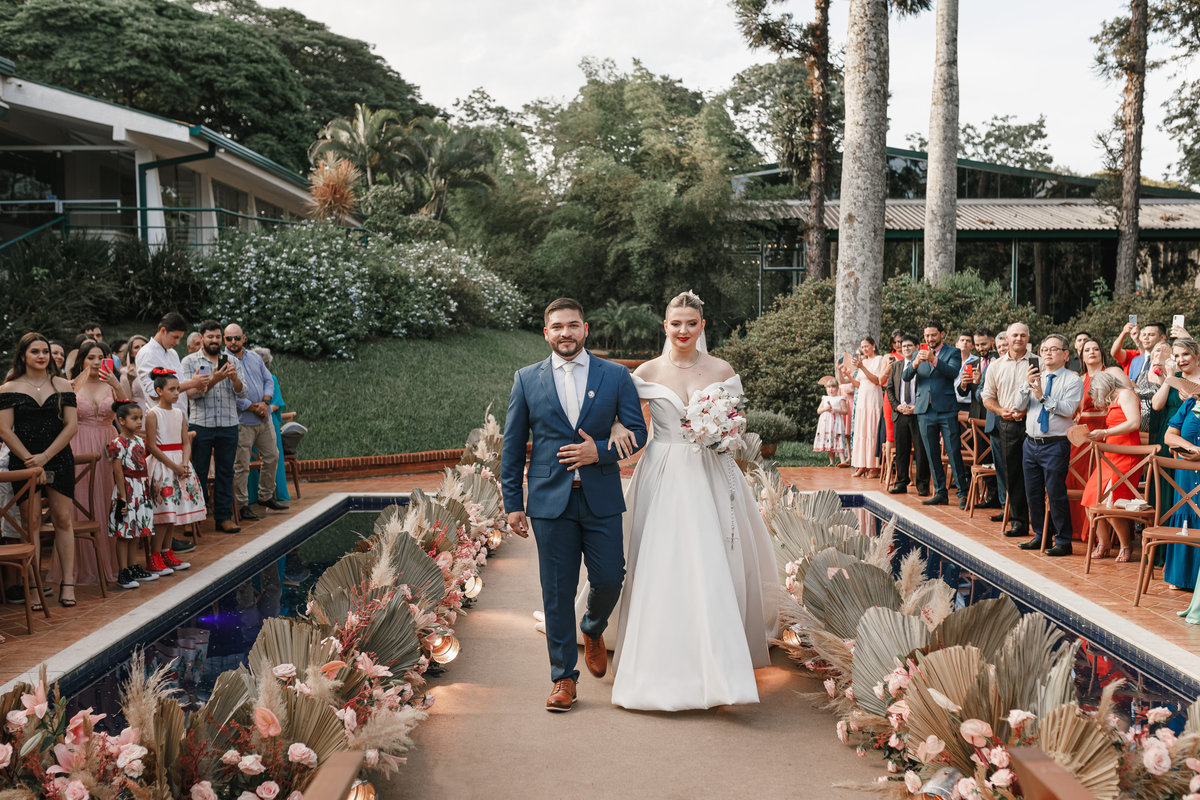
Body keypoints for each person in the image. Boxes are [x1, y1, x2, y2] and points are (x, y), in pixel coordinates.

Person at [609, 290, 776, 710]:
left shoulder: (721, 369)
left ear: (703, 325)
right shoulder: (646, 371)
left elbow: (736, 423)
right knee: (660, 558)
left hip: (711, 472)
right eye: (676, 323)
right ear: (665, 326)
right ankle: (658, 655)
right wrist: (613, 429)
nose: (683, 330)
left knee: (712, 558)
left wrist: (723, 434)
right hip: (663, 471)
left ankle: (719, 663)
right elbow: (619, 414)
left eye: (691, 323)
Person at [501, 297, 648, 713]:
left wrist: (597, 452)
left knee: (609, 578)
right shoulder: (527, 379)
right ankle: (563, 678)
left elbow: (637, 432)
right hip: (550, 502)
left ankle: (594, 626)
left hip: (600, 495)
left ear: (585, 329)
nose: (566, 332)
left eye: (573, 325)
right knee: (557, 591)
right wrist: (513, 501)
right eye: (557, 327)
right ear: (546, 333)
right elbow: (512, 447)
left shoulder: (616, 375)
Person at [0, 333, 79, 607]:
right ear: (23, 355)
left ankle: (67, 584)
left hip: (57, 458)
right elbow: (4, 430)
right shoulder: (8, 388)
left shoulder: (62, 383)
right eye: (35, 351)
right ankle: (33, 587)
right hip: (24, 462)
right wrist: (31, 461)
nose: (42, 356)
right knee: (30, 524)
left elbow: (71, 426)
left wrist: (45, 457)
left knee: (63, 520)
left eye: (45, 351)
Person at [50, 340, 128, 589]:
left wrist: (117, 384)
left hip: (108, 446)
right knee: (80, 502)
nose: (96, 362)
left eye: (101, 357)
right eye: (90, 358)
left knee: (108, 500)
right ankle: (79, 567)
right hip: (78, 445)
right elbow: (60, 417)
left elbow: (128, 413)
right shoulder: (71, 385)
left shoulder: (114, 383)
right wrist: (73, 387)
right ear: (82, 360)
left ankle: (114, 564)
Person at [1013, 335, 1083, 556]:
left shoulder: (1073, 380)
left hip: (1055, 444)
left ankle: (1063, 540)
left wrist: (1043, 397)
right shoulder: (1035, 377)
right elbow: (1017, 406)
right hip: (1030, 444)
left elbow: (1068, 410)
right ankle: (1040, 535)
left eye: (1054, 349)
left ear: (1065, 355)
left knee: (1055, 493)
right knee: (1032, 493)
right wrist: (1026, 386)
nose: (1048, 353)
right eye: (1044, 349)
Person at [179, 320, 246, 534]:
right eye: (210, 337)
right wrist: (215, 379)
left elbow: (242, 393)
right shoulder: (189, 362)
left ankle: (223, 517)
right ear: (201, 338)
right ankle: (195, 518)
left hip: (228, 424)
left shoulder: (233, 360)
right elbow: (191, 393)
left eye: (218, 336)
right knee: (197, 472)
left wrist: (235, 379)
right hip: (201, 425)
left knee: (226, 471)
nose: (215, 340)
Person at [904, 319, 969, 509]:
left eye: (933, 334)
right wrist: (915, 363)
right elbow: (905, 377)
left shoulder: (953, 352)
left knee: (953, 451)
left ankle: (962, 492)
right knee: (931, 453)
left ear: (942, 334)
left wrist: (933, 359)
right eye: (927, 335)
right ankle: (941, 492)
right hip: (924, 410)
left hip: (946, 409)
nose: (930, 338)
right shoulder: (917, 354)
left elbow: (953, 372)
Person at [225, 324, 288, 520]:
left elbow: (268, 381)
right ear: (224, 340)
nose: (233, 342)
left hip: (263, 419)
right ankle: (242, 504)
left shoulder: (254, 357)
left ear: (243, 338)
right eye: (229, 339)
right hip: (242, 421)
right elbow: (230, 392)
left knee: (272, 457)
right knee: (241, 465)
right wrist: (254, 407)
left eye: (236, 338)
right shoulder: (223, 360)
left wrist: (265, 402)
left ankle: (266, 495)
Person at [1081, 370, 1144, 562]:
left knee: (1112, 502)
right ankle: (1104, 542)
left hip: (1126, 455)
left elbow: (1134, 423)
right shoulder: (1115, 399)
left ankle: (1126, 546)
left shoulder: (1126, 394)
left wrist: (1105, 431)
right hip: (1109, 456)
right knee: (1090, 500)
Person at [145, 369, 204, 573]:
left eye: (178, 389)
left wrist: (185, 463)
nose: (177, 393)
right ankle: (153, 557)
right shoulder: (153, 414)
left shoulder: (179, 413)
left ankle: (166, 552)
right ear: (159, 391)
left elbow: (185, 441)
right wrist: (174, 466)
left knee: (174, 513)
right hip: (163, 466)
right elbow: (152, 446)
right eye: (172, 389)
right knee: (163, 513)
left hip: (180, 464)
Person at [982, 323, 1034, 535]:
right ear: (1007, 339)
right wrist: (1000, 410)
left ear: (1028, 337)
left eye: (1023, 335)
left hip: (1033, 424)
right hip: (1007, 424)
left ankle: (1040, 524)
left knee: (1034, 474)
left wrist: (1027, 410)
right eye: (1015, 335)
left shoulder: (1037, 361)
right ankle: (1019, 523)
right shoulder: (996, 366)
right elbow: (987, 397)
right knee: (1012, 474)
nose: (1018, 339)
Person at [107, 401, 157, 590]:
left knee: (136, 529)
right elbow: (118, 471)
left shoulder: (139, 441)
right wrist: (122, 495)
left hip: (141, 490)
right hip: (126, 490)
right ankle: (123, 571)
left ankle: (133, 567)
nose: (138, 422)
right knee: (123, 532)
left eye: (140, 418)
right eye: (134, 418)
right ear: (121, 420)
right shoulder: (116, 443)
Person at [1066, 338, 1112, 540]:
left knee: (1100, 481)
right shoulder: (1078, 378)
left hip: (1105, 431)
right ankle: (1077, 529)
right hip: (1082, 434)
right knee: (1074, 478)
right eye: (1087, 350)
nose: (1091, 352)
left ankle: (1101, 534)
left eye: (1096, 348)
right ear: (1081, 356)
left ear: (1102, 353)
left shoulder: (1111, 374)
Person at [1162, 373, 1200, 591]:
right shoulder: (1189, 404)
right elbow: (1170, 436)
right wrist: (1191, 448)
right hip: (1186, 474)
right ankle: (1183, 576)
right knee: (1185, 514)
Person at [957, 328, 1001, 508]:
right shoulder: (973, 362)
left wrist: (981, 381)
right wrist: (963, 383)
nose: (980, 348)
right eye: (977, 344)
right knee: (983, 458)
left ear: (992, 341)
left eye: (983, 344)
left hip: (993, 415)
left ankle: (1000, 496)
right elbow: (963, 392)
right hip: (976, 416)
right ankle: (991, 496)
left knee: (996, 458)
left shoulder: (998, 361)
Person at [886, 334, 930, 496]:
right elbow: (889, 389)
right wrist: (897, 407)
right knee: (902, 451)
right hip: (901, 414)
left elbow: (927, 390)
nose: (906, 349)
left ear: (917, 347)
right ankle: (901, 482)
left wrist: (916, 406)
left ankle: (923, 485)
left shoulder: (925, 365)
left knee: (921, 451)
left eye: (909, 346)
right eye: (904, 346)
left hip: (918, 413)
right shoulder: (897, 366)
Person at [138, 312, 204, 416]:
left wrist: (197, 386)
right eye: (175, 337)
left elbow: (181, 391)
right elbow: (154, 393)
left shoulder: (173, 353)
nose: (177, 342)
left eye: (180, 338)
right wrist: (191, 383)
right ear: (163, 331)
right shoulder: (147, 353)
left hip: (180, 419)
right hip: (161, 421)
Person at [247, 347, 290, 503]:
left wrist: (264, 410)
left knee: (272, 457)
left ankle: (275, 494)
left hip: (267, 421)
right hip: (249, 421)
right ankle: (251, 496)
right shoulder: (246, 378)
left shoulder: (271, 378)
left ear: (263, 362)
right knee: (249, 459)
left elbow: (276, 403)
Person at [846, 337, 887, 478]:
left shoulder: (879, 359)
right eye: (862, 347)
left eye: (867, 346)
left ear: (874, 345)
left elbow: (877, 381)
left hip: (873, 401)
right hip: (862, 401)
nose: (864, 349)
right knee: (861, 432)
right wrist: (847, 374)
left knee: (872, 431)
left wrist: (862, 367)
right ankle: (862, 464)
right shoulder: (863, 362)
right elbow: (858, 384)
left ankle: (875, 466)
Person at [813, 377, 848, 466]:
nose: (830, 390)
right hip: (826, 422)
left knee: (837, 438)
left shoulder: (840, 398)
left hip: (836, 423)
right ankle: (832, 462)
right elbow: (818, 411)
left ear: (837, 388)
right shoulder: (825, 398)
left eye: (833, 387)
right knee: (830, 439)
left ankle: (843, 461)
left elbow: (845, 411)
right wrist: (825, 408)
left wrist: (836, 410)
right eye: (828, 387)